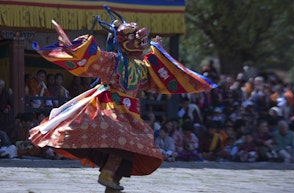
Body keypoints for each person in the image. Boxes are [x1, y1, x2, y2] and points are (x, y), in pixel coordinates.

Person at [29, 6, 217, 191]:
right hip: (110, 108)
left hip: (131, 113)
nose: (140, 41)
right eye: (134, 37)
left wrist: (158, 49)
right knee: (122, 142)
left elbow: (156, 75)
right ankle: (108, 175)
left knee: (136, 144)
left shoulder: (142, 66)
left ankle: (111, 179)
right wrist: (76, 47)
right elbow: (92, 60)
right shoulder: (113, 61)